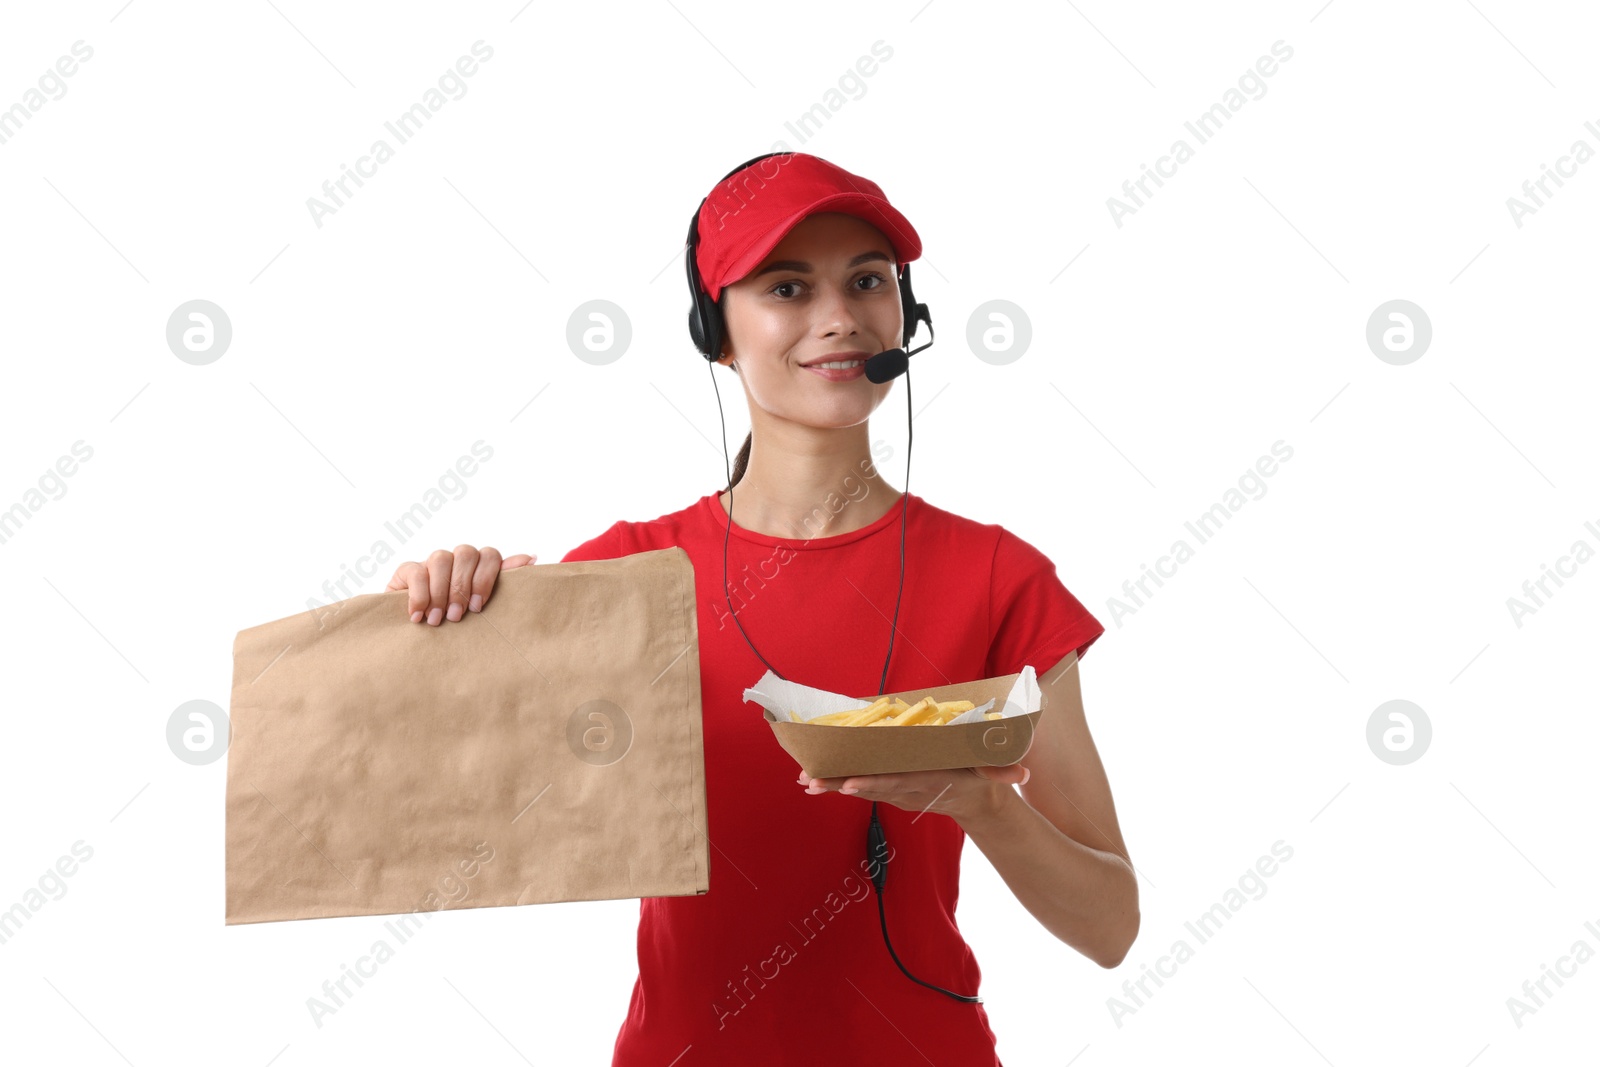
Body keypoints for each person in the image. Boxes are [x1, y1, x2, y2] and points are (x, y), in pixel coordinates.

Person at [385, 152, 1138, 1064]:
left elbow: (1110, 927)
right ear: (718, 333)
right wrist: (435, 623)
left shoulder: (997, 577)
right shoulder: (627, 574)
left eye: (868, 281)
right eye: (788, 287)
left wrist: (978, 805)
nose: (839, 319)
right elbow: (453, 807)